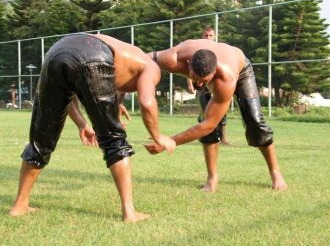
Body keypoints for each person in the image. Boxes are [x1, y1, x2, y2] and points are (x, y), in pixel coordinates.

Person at [9, 33, 176, 223]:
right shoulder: (151, 66)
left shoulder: (123, 57)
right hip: (94, 53)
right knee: (114, 139)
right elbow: (147, 102)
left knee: (41, 139)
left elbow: (67, 95)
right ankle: (129, 213)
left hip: (56, 52)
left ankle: (19, 205)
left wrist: (83, 124)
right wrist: (157, 136)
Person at [146, 39, 288, 192]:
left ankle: (275, 172)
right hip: (206, 70)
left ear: (214, 72)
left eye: (204, 81)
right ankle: (212, 178)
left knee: (255, 122)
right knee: (209, 130)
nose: (199, 85)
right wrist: (120, 97)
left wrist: (170, 141)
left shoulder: (225, 78)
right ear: (188, 64)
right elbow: (139, 60)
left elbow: (208, 124)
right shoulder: (173, 57)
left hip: (241, 71)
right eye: (195, 79)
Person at [186, 26, 231, 192]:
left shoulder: (220, 50)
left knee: (221, 116)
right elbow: (188, 68)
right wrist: (190, 82)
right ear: (201, 35)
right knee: (206, 120)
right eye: (205, 34)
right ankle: (211, 174)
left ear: (215, 36)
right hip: (203, 89)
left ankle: (223, 138)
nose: (208, 37)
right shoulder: (197, 51)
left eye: (211, 35)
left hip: (218, 88)